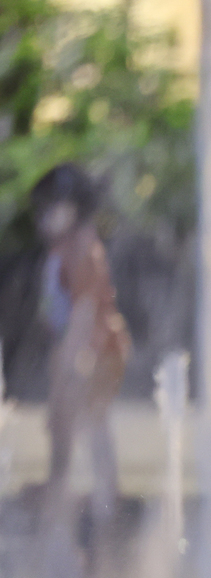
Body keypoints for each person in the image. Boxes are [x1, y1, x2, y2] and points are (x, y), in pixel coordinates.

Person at [30, 163, 131, 520]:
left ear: (75, 209)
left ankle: (98, 494)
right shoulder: (64, 249)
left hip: (95, 352)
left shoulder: (82, 248)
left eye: (51, 209)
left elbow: (85, 312)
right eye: (40, 210)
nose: (43, 218)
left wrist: (73, 364)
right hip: (77, 349)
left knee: (84, 419)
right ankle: (66, 485)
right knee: (67, 422)